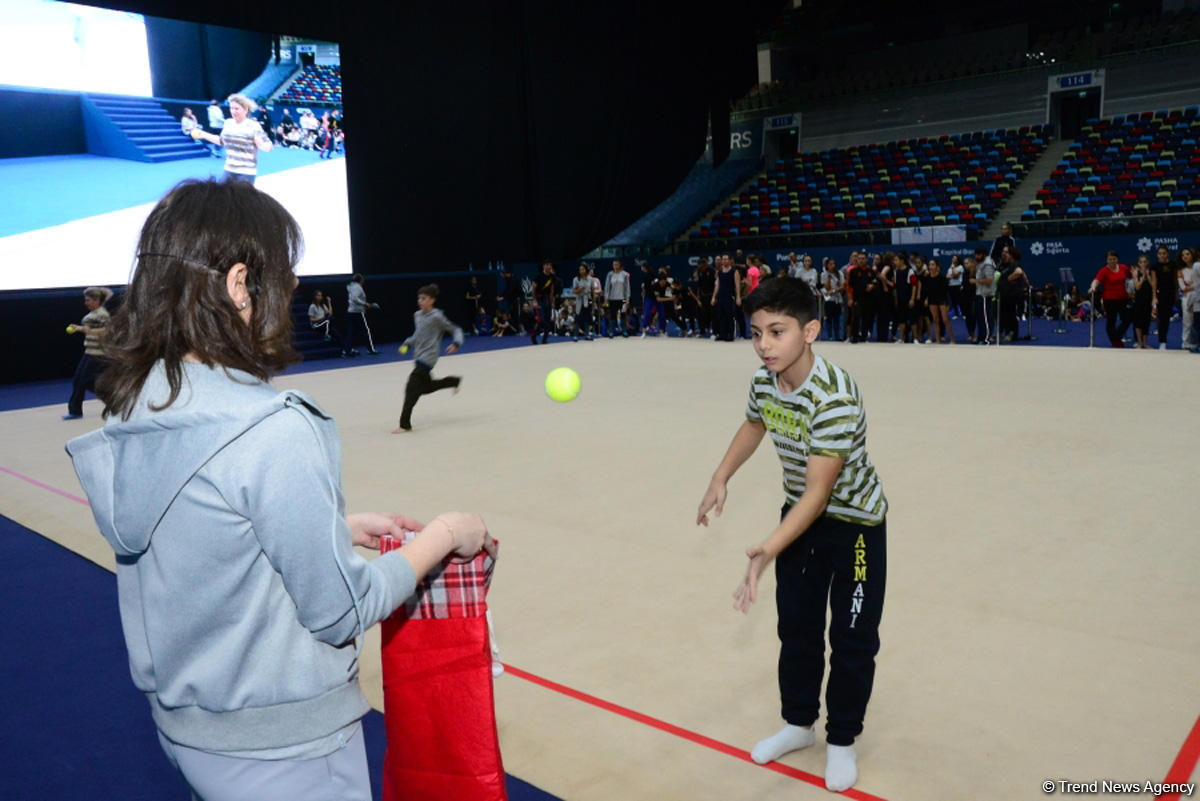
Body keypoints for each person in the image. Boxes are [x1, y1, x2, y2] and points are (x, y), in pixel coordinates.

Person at [65, 178, 492, 801]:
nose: (290, 291)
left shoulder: (139, 402)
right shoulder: (269, 428)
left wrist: (330, 532)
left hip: (192, 734)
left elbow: (193, 536)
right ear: (240, 285)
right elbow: (341, 608)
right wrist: (447, 535)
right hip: (286, 752)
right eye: (285, 276)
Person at [695, 277, 886, 794]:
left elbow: (820, 495)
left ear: (811, 331)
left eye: (777, 332)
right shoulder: (764, 379)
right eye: (756, 333)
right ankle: (799, 724)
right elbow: (755, 424)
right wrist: (720, 476)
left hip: (855, 526)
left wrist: (767, 549)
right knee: (797, 628)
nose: (764, 345)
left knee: (852, 640)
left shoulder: (836, 397)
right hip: (798, 518)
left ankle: (842, 739)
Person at [394, 284, 463, 433]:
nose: (420, 301)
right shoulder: (417, 315)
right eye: (419, 298)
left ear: (432, 300)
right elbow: (417, 336)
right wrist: (407, 344)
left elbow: (455, 329)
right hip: (418, 356)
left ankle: (405, 424)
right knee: (426, 388)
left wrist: (456, 343)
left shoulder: (437, 317)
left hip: (429, 358)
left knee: (411, 388)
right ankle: (453, 381)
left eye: (424, 298)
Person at [190, 94, 273, 184]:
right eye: (231, 108)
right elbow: (221, 141)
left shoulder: (254, 125)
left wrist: (262, 145)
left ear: (245, 110)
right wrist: (203, 134)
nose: (233, 111)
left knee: (242, 198)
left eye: (236, 108)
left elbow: (269, 146)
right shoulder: (228, 123)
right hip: (229, 169)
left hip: (246, 172)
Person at [63, 286, 113, 419]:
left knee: (86, 381)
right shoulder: (94, 314)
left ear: (97, 300)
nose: (86, 303)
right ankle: (75, 410)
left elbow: (107, 331)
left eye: (88, 300)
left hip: (99, 354)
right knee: (79, 381)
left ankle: (113, 401)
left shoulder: (102, 314)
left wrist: (84, 330)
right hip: (89, 351)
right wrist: (80, 328)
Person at [1088, 251, 1133, 348]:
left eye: (1114, 259)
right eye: (1110, 259)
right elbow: (1096, 280)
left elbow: (1132, 276)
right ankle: (1116, 342)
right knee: (1111, 321)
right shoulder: (1104, 270)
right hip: (1110, 300)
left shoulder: (1123, 268)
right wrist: (1093, 287)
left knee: (1127, 319)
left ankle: (1116, 337)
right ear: (1106, 260)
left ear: (1117, 259)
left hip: (1123, 299)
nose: (1112, 261)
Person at [1149, 246, 1178, 350]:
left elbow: (1175, 280)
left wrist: (1176, 294)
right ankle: (1162, 341)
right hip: (1160, 294)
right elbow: (1154, 282)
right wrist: (1154, 297)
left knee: (1166, 318)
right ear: (1157, 255)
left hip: (1171, 294)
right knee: (1161, 319)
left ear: (1168, 254)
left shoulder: (1173, 265)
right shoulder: (1155, 266)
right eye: (1160, 253)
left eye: (1164, 253)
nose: (1162, 255)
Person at [345, 273, 381, 355]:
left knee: (351, 332)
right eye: (362, 279)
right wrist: (365, 304)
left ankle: (348, 350)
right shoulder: (357, 287)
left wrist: (365, 305)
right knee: (366, 331)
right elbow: (355, 299)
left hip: (351, 312)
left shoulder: (351, 287)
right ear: (360, 280)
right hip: (357, 313)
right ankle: (370, 349)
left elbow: (353, 300)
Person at [308, 289, 351, 356]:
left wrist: (329, 302)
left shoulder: (323, 305)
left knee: (337, 334)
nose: (320, 297)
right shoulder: (312, 306)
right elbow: (311, 319)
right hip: (316, 325)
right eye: (318, 295)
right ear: (315, 296)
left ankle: (347, 350)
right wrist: (321, 318)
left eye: (321, 295)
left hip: (325, 324)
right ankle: (326, 335)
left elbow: (330, 313)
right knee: (328, 320)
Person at [969, 247, 996, 345]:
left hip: (986, 294)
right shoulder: (980, 263)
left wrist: (976, 281)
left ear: (983, 254)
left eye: (978, 255)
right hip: (980, 293)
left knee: (985, 318)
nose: (976, 257)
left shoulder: (987, 264)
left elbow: (989, 280)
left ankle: (986, 338)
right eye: (975, 255)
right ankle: (981, 337)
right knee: (980, 318)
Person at [711, 253, 741, 342]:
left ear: (729, 260)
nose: (724, 261)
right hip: (721, 297)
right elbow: (717, 285)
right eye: (723, 259)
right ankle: (722, 334)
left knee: (729, 316)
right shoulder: (719, 272)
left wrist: (738, 297)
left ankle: (730, 334)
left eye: (726, 259)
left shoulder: (734, 272)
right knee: (721, 316)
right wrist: (714, 297)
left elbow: (737, 285)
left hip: (730, 296)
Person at [532, 261, 560, 344]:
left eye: (550, 265)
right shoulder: (538, 276)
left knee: (548, 321)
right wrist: (534, 300)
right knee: (541, 320)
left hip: (547, 299)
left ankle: (544, 339)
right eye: (547, 265)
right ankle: (533, 336)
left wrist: (552, 302)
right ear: (544, 266)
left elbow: (552, 289)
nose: (549, 267)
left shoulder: (552, 277)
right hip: (539, 299)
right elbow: (533, 289)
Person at [1130, 255, 1154, 349]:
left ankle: (1145, 343)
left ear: (1147, 262)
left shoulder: (1151, 272)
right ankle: (1139, 343)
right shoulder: (1136, 272)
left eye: (1145, 262)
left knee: (1146, 321)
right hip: (1139, 300)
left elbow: (1153, 286)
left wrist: (1147, 276)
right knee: (1138, 322)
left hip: (1148, 300)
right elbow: (1137, 287)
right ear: (1138, 263)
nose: (1143, 264)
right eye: (1141, 262)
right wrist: (1143, 277)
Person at [603, 259, 631, 338]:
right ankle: (611, 332)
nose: (615, 266)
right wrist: (606, 298)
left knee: (623, 314)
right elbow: (607, 287)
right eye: (614, 265)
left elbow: (627, 287)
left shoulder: (625, 274)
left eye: (617, 265)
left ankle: (624, 331)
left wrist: (628, 298)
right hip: (612, 298)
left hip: (623, 298)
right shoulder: (610, 274)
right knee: (612, 315)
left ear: (620, 265)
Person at [571, 263, 594, 341]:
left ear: (586, 269)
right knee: (578, 318)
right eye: (580, 269)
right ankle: (575, 335)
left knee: (587, 318)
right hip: (579, 299)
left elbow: (593, 290)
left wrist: (593, 301)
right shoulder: (576, 279)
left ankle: (587, 335)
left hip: (588, 299)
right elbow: (574, 291)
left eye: (583, 269)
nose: (581, 271)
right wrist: (580, 289)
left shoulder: (590, 279)